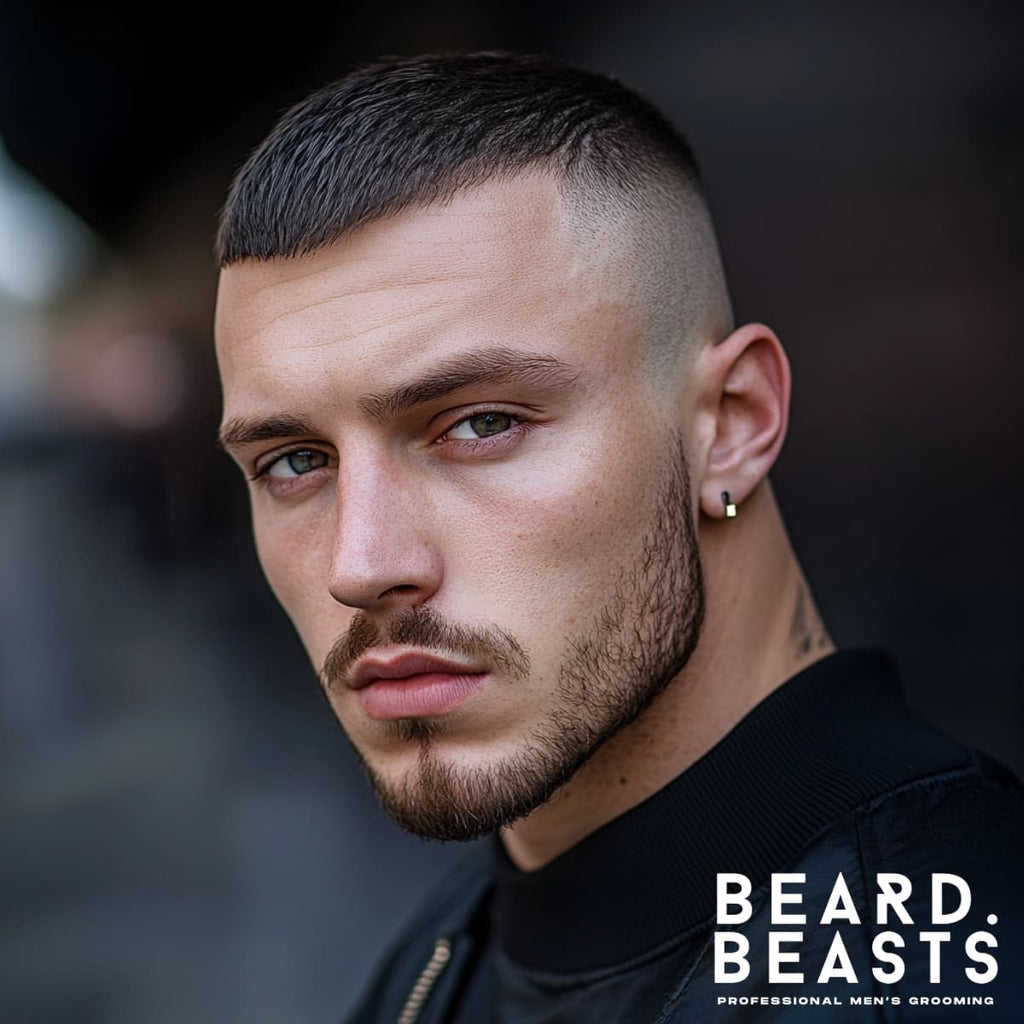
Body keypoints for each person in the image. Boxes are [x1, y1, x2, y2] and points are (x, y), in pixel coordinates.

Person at [213, 52, 1023, 1022]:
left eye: (481, 424)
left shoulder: (941, 966)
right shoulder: (460, 942)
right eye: (295, 462)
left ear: (729, 424)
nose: (363, 564)